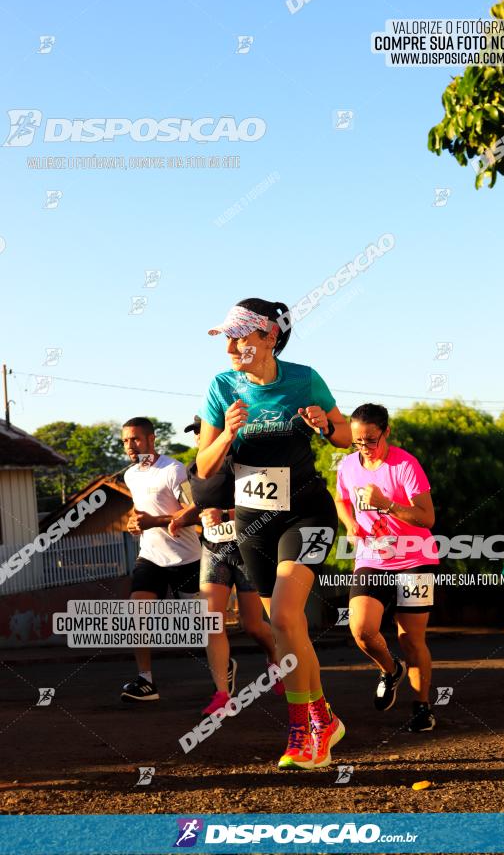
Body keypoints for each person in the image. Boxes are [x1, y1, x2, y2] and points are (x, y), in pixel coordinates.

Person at [197, 298, 352, 769]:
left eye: (239, 336)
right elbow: (203, 468)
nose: (229, 346)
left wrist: (325, 425)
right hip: (253, 522)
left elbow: (345, 435)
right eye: (226, 336)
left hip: (306, 513)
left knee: (284, 616)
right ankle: (323, 717)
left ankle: (303, 731)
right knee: (284, 628)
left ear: (268, 336)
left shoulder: (303, 378)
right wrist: (226, 433)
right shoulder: (221, 386)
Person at [335, 403, 438, 733]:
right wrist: (350, 524)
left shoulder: (405, 465)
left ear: (386, 432)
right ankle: (391, 669)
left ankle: (422, 707)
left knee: (411, 639)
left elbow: (426, 517)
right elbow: (341, 499)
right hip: (371, 558)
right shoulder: (348, 466)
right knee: (362, 630)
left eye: (370, 440)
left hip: (414, 558)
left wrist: (388, 505)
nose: (364, 447)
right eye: (357, 441)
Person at [170, 415, 283, 716]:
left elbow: (269, 504)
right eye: (195, 433)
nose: (198, 437)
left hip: (247, 549)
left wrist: (229, 513)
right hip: (214, 551)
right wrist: (187, 517)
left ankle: (275, 657)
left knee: (252, 624)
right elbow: (203, 504)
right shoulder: (196, 468)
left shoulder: (244, 460)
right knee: (211, 622)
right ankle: (222, 693)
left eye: (203, 431)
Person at [120, 417, 201, 702]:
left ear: (152, 439)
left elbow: (195, 511)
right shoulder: (131, 475)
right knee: (137, 611)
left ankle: (223, 664)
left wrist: (155, 521)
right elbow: (140, 509)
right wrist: (134, 521)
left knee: (199, 631)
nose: (130, 445)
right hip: (151, 556)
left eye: (136, 439)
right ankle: (146, 681)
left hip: (186, 557)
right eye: (126, 441)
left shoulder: (174, 470)